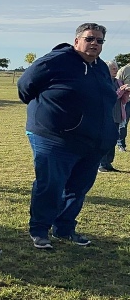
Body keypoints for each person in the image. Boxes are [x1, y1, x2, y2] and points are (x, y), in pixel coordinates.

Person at [18, 23, 121, 249]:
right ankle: (40, 230)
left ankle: (64, 228)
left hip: (91, 142)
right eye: (90, 38)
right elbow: (25, 86)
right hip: (54, 137)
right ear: (77, 40)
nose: (94, 44)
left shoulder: (101, 67)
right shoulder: (55, 61)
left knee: (78, 187)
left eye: (99, 41)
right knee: (51, 185)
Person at [99, 61, 130, 172]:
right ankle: (102, 164)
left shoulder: (118, 81)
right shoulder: (104, 81)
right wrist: (121, 90)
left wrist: (126, 92)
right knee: (105, 140)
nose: (116, 70)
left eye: (116, 68)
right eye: (113, 68)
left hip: (117, 113)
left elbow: (123, 99)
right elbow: (111, 96)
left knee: (112, 140)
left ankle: (108, 164)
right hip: (107, 114)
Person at [117, 61, 130, 152]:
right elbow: (117, 85)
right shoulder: (124, 70)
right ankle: (121, 144)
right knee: (123, 123)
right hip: (127, 101)